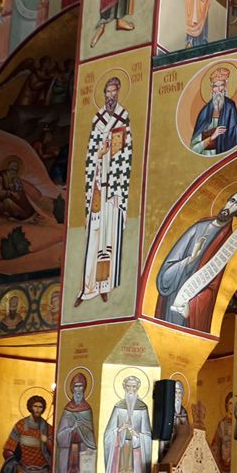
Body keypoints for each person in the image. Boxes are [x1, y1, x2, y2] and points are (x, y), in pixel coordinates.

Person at [155, 186, 237, 328]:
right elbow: (166, 273)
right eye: (231, 200)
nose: (231, 205)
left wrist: (191, 306)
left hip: (189, 302)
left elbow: (215, 286)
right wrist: (190, 260)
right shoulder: (198, 227)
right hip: (174, 294)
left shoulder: (228, 241)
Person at [77, 76, 132, 306]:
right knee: (94, 236)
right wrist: (101, 153)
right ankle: (87, 288)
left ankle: (105, 285)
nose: (110, 96)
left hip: (114, 188)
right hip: (99, 185)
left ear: (118, 92)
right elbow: (91, 151)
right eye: (107, 92)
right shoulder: (97, 118)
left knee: (110, 236)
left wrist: (113, 154)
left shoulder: (123, 116)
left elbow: (127, 152)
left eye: (113, 92)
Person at [189, 66, 237, 156]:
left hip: (224, 157)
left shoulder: (230, 106)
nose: (218, 90)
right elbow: (193, 148)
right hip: (206, 157)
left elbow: (234, 137)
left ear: (225, 86)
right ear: (211, 88)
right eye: (215, 86)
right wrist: (211, 137)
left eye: (221, 85)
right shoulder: (204, 111)